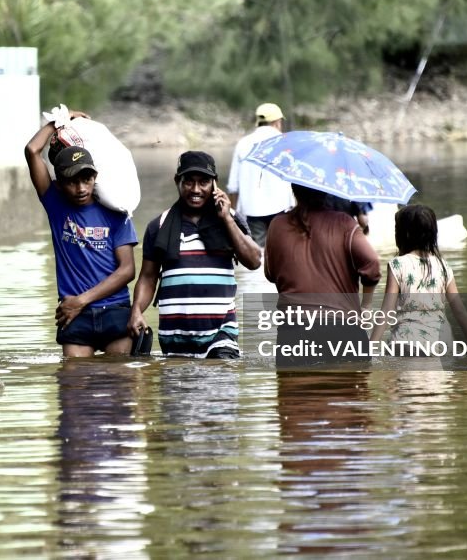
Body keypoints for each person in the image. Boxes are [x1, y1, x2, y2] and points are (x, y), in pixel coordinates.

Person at [128, 151, 262, 359]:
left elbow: (254, 261)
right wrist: (136, 310)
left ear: (214, 184)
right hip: (174, 337)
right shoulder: (159, 226)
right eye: (188, 182)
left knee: (220, 379)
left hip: (220, 334)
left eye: (204, 182)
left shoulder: (231, 219)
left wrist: (226, 218)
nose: (196, 189)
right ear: (177, 182)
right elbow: (148, 277)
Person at [25, 115, 138, 357]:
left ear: (95, 177)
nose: (81, 189)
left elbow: (127, 270)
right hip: (74, 316)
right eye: (72, 182)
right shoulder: (56, 205)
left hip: (113, 310)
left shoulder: (115, 210)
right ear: (59, 183)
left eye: (86, 179)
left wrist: (82, 300)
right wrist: (60, 119)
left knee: (118, 385)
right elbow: (32, 150)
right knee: (74, 388)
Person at [264, 185, 381, 365]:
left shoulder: (277, 225)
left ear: (294, 190)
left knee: (294, 391)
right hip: (343, 329)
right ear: (326, 191)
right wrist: (365, 306)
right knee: (351, 390)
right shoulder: (345, 223)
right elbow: (372, 265)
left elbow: (271, 273)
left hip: (293, 333)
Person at [370, 204, 467, 345]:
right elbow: (459, 310)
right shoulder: (444, 266)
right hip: (440, 342)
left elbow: (387, 310)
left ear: (402, 234)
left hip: (406, 340)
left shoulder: (397, 265)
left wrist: (370, 347)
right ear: (433, 233)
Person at [226, 102, 294, 247]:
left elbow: (233, 187)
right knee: (280, 252)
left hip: (252, 211)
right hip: (282, 210)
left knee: (257, 256)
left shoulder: (243, 144)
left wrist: (232, 219)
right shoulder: (286, 142)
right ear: (277, 122)